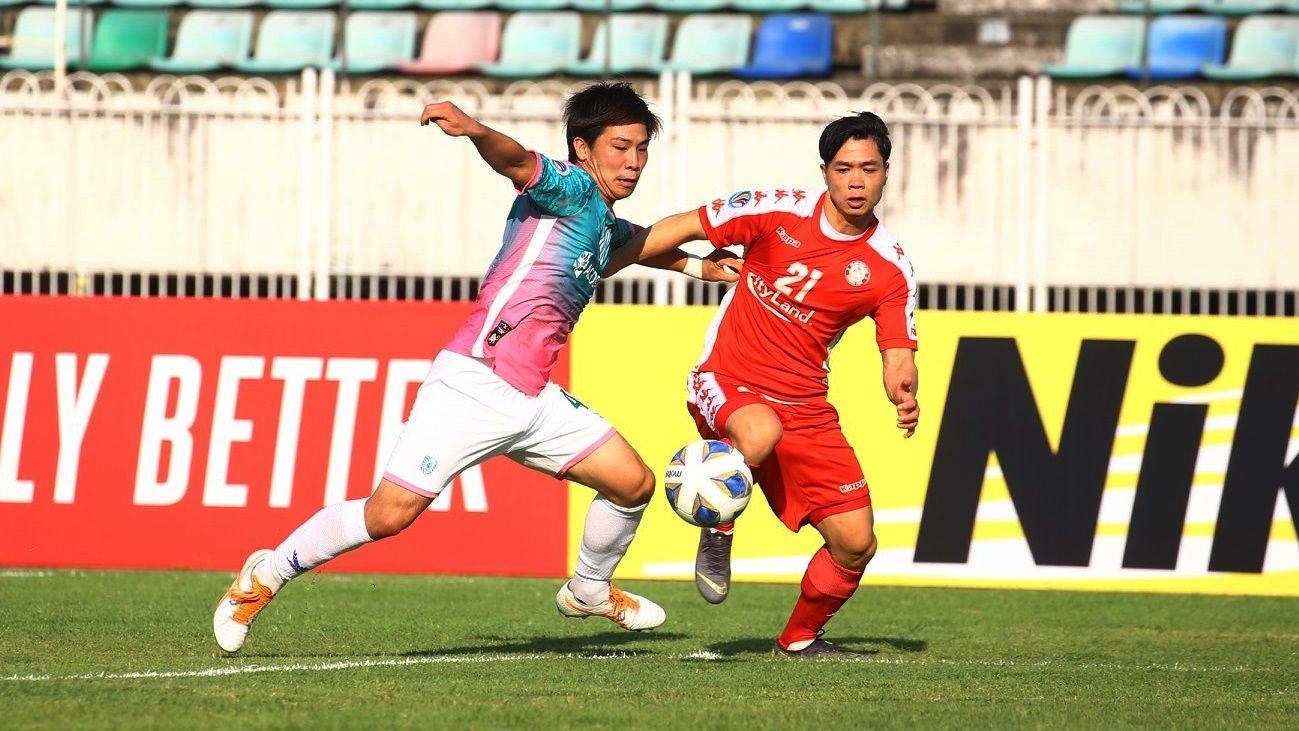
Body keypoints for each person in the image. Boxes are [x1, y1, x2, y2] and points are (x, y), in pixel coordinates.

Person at [213, 82, 739, 654]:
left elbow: (640, 245)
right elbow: (516, 161)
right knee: (388, 516)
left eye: (641, 149)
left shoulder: (602, 220)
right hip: (474, 381)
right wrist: (476, 132)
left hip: (534, 398)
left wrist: (705, 268)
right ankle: (264, 575)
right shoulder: (569, 188)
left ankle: (589, 588)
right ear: (583, 150)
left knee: (632, 484)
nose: (633, 162)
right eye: (620, 147)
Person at [607, 111, 919, 657]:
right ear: (824, 171)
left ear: (886, 173)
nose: (855, 181)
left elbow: (897, 349)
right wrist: (604, 262)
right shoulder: (774, 210)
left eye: (868, 169)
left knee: (855, 542)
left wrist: (903, 388)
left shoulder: (890, 267)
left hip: (806, 404)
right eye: (843, 168)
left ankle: (798, 640)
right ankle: (718, 528)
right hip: (727, 379)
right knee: (757, 432)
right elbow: (678, 228)